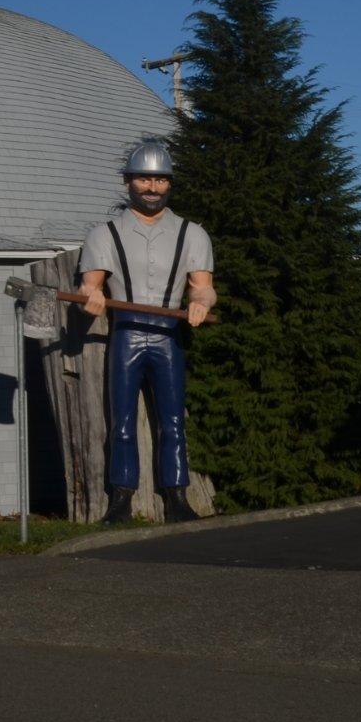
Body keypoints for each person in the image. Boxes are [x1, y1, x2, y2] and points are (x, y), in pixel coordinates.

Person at [79, 140, 215, 524]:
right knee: (120, 421)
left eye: (160, 179)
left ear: (170, 183)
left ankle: (177, 497)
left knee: (173, 420)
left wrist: (202, 301)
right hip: (126, 336)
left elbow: (202, 284)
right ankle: (120, 498)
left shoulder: (192, 233)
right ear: (128, 182)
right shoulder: (103, 234)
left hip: (167, 337)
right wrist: (91, 296)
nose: (152, 187)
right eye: (144, 179)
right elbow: (92, 284)